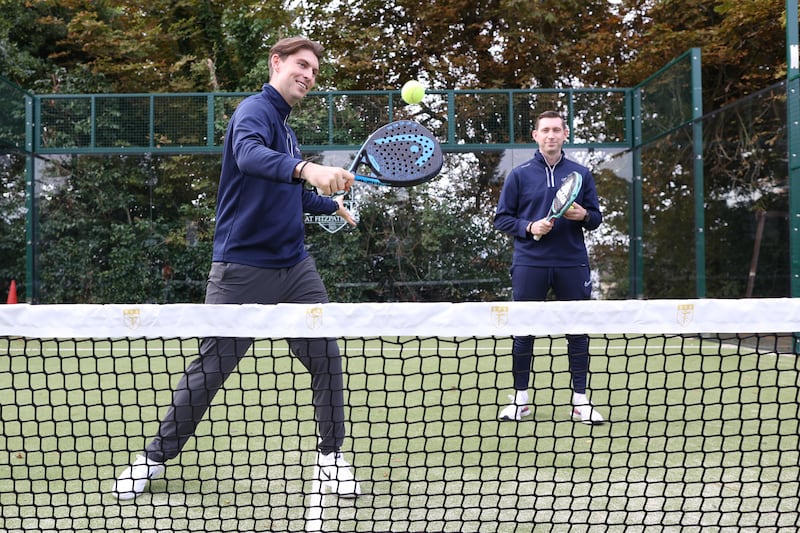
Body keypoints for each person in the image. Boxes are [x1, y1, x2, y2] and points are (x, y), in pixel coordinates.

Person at [112, 36, 362, 500]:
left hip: (296, 268)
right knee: (211, 370)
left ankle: (330, 458)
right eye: (300, 65)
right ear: (277, 63)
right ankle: (150, 460)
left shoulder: (286, 131)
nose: (308, 75)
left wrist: (331, 205)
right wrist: (308, 169)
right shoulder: (254, 111)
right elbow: (250, 158)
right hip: (241, 270)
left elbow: (291, 193)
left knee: (326, 359)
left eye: (314, 70)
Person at [493, 110, 605, 425]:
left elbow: (596, 218)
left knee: (578, 332)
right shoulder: (519, 174)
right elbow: (502, 218)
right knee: (523, 332)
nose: (551, 135)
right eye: (546, 130)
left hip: (572, 262)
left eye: (557, 130)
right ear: (536, 135)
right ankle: (520, 400)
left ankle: (580, 402)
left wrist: (583, 215)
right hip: (530, 262)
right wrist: (530, 227)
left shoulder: (581, 173)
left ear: (565, 134)